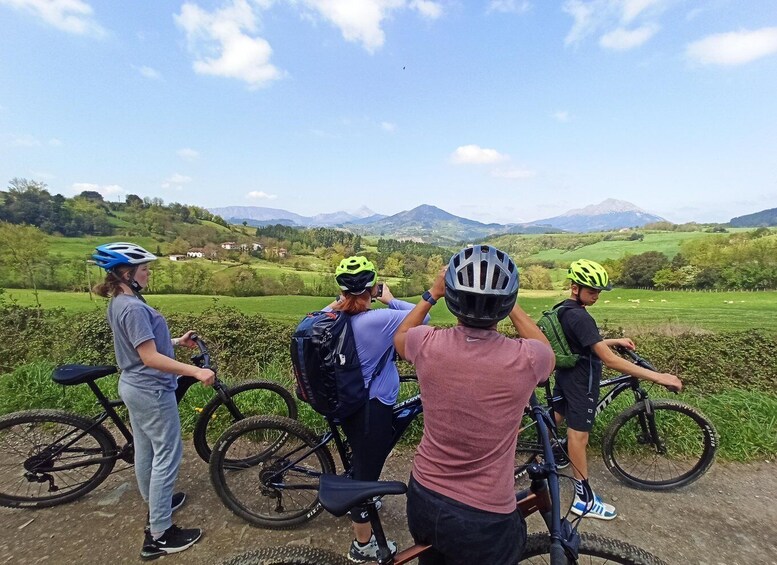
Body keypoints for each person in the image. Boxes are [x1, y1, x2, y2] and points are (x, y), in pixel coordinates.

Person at [394, 245, 555, 565]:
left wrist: (432, 293)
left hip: (424, 496)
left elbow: (401, 334)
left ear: (452, 298)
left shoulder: (425, 343)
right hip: (484, 517)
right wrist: (512, 307)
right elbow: (545, 348)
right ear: (506, 301)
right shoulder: (528, 359)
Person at [91, 242, 215, 561]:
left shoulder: (122, 302)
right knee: (167, 455)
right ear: (127, 273)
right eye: (144, 268)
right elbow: (148, 358)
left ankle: (156, 502)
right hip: (151, 390)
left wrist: (175, 342)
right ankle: (159, 535)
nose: (148, 273)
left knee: (146, 450)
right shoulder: (132, 307)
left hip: (135, 386)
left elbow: (143, 345)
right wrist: (195, 371)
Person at [553, 259, 683, 520]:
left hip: (567, 376)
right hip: (582, 382)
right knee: (579, 437)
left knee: (555, 415)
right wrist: (658, 377)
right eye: (592, 291)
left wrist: (611, 340)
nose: (596, 296)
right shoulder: (581, 317)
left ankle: (546, 455)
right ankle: (583, 500)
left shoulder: (565, 309)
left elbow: (581, 342)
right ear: (575, 288)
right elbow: (610, 360)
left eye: (599, 292)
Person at [323, 256, 430, 563]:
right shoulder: (376, 319)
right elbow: (421, 318)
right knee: (365, 472)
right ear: (371, 288)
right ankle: (362, 545)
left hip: (349, 403)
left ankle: (365, 492)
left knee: (364, 456)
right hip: (371, 408)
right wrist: (391, 299)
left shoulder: (330, 315)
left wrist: (342, 301)